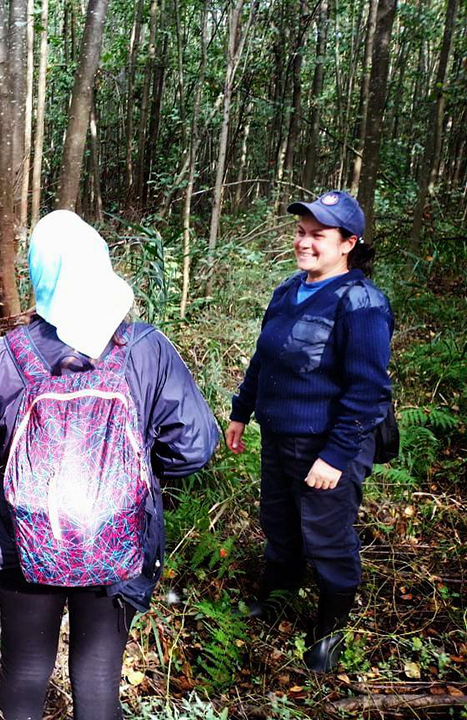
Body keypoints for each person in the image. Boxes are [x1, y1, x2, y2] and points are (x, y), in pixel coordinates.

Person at [0, 210, 219, 720]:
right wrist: (136, 470)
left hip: (25, 541)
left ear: (38, 275)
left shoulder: (8, 356)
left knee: (25, 671)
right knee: (98, 679)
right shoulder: (146, 349)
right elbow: (195, 446)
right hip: (117, 537)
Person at [226, 190, 394, 673]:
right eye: (301, 233)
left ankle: (330, 627)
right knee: (279, 522)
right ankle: (276, 598)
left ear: (348, 243)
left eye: (318, 235)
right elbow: (264, 359)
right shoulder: (287, 291)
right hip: (280, 436)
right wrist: (242, 412)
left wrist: (336, 457)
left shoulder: (360, 303)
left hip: (327, 443)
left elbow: (368, 392)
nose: (304, 242)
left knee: (325, 532)